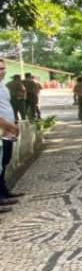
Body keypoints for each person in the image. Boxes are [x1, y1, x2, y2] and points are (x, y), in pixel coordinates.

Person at [0, 59, 22, 210]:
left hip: (9, 129)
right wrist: (8, 125)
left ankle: (5, 192)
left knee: (5, 159)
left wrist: (15, 122)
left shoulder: (4, 87)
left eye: (3, 68)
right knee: (0, 162)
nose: (2, 71)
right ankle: (1, 197)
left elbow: (7, 106)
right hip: (3, 129)